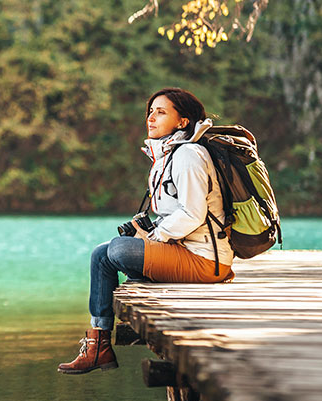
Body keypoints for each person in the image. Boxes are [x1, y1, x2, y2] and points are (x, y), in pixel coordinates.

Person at [57, 87, 234, 375]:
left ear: (182, 122)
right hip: (183, 252)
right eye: (150, 111)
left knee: (118, 250)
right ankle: (98, 342)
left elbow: (193, 213)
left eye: (161, 112)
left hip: (206, 261)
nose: (150, 118)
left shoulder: (189, 155)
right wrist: (152, 233)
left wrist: (152, 238)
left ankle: (100, 343)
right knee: (101, 253)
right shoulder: (167, 156)